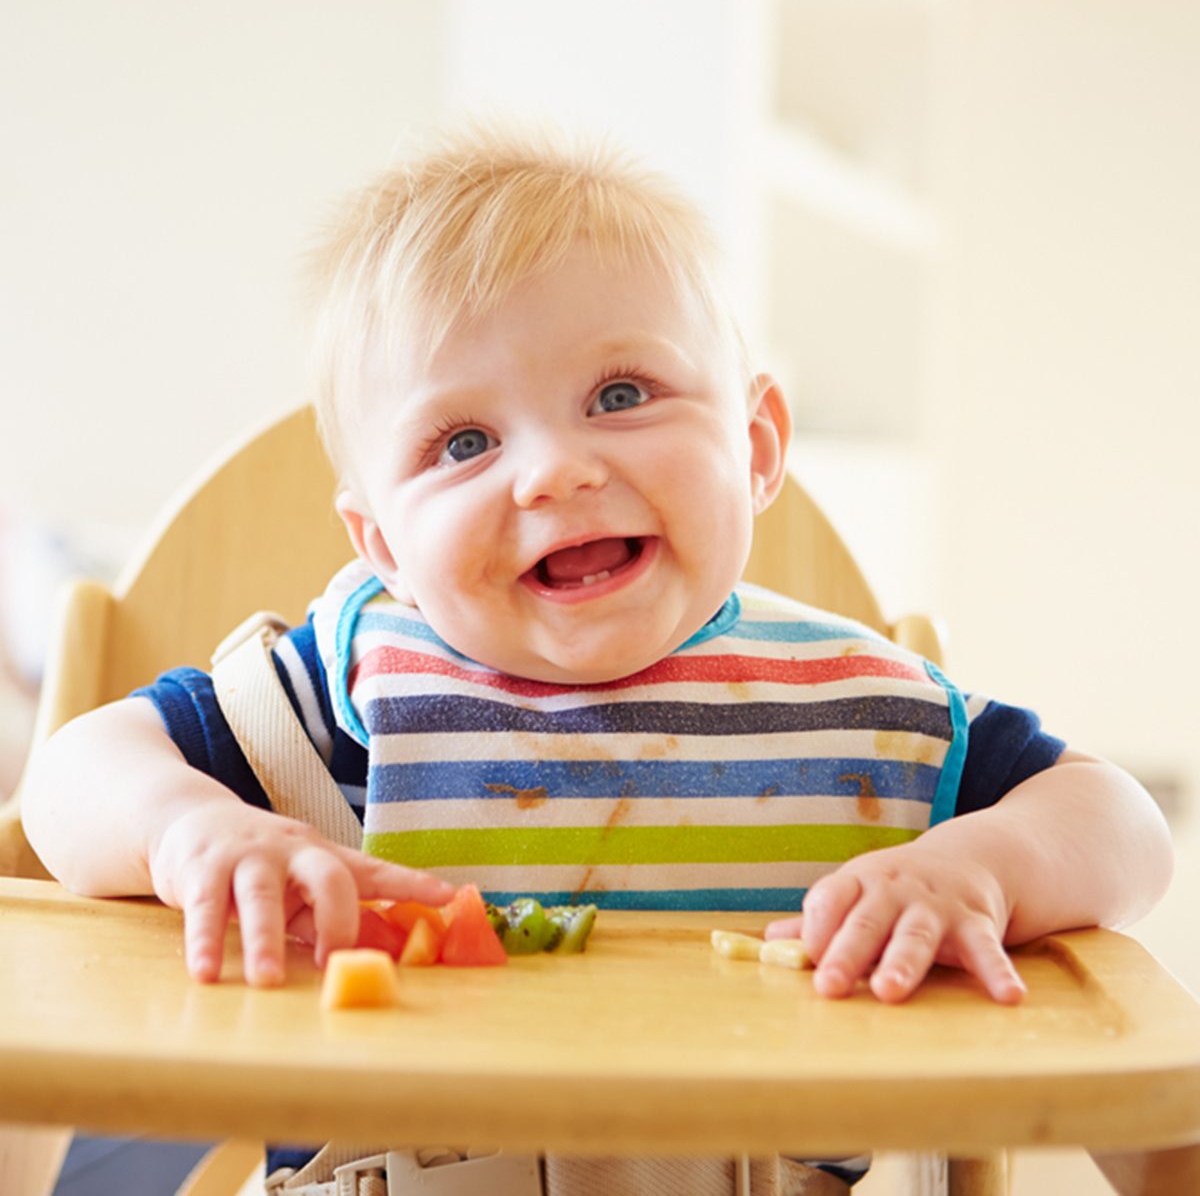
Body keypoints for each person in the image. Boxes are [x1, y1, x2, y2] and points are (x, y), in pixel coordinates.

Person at [20, 126, 1173, 1192]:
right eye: (463, 442)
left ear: (757, 446)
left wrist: (979, 868)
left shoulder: (857, 717)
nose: (552, 473)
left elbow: (1118, 824)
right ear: (383, 546)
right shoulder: (341, 699)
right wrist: (189, 828)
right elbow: (74, 776)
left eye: (621, 395)